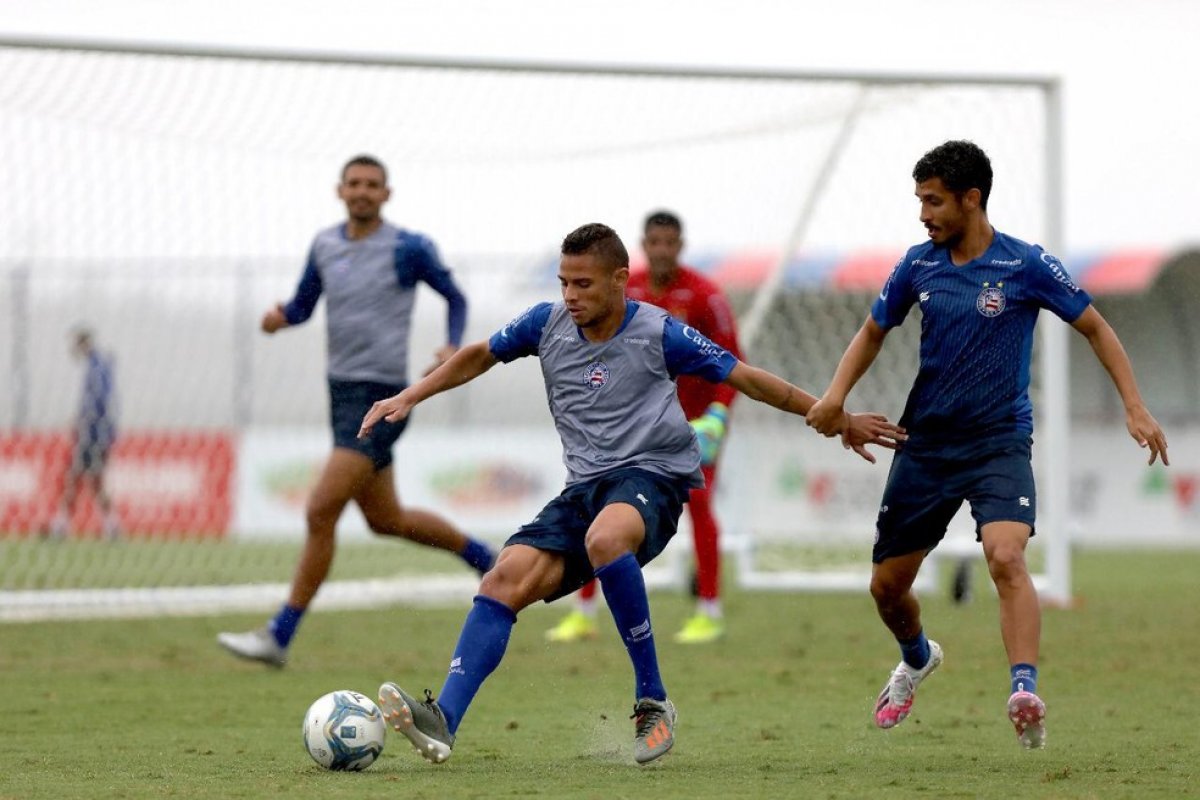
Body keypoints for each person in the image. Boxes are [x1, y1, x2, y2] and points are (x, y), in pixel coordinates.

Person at [361, 222, 904, 766]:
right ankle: (445, 720)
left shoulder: (659, 331)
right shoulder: (544, 324)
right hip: (584, 488)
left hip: (654, 478)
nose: (570, 296)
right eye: (564, 283)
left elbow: (746, 377)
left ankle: (653, 700)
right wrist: (411, 395)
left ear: (621, 280)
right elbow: (479, 354)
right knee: (503, 577)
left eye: (584, 284)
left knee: (606, 537)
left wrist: (836, 417)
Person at [806, 140, 1169, 750]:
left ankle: (1023, 689)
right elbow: (873, 331)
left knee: (1006, 555)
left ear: (971, 199)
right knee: (886, 588)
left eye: (933, 201)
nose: (923, 213)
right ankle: (917, 658)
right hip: (926, 445)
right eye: (920, 200)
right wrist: (836, 397)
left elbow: (1095, 326)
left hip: (999, 441)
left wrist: (1134, 405)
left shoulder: (1026, 265)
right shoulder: (919, 266)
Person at [217, 154, 496, 668]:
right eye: (355, 184)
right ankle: (487, 560)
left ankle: (279, 635)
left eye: (373, 185)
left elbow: (455, 296)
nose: (363, 191)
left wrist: (451, 344)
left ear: (387, 194)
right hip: (340, 395)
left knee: (320, 509)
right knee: (385, 519)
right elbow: (304, 306)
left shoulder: (408, 247)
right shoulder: (325, 245)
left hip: (384, 398)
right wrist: (280, 318)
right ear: (339, 191)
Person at [545, 210, 742, 645]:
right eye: (654, 243)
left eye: (669, 243)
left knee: (701, 504)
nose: (661, 251)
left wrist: (717, 417)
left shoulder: (705, 295)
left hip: (693, 425)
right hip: (633, 424)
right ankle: (583, 610)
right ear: (644, 245)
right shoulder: (625, 289)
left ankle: (708, 609)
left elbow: (733, 363)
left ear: (680, 245)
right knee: (597, 507)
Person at [48, 327, 121, 540]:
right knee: (93, 481)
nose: (73, 350)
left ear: (83, 343)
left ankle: (61, 527)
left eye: (75, 344)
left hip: (93, 435)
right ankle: (111, 527)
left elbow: (98, 401)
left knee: (75, 478)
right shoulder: (99, 365)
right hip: (98, 434)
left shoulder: (96, 367)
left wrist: (81, 420)